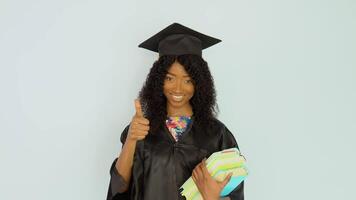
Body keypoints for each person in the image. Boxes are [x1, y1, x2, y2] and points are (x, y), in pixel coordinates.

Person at [106, 23, 245, 200]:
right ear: (158, 79)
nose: (178, 89)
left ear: (199, 83)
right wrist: (131, 139)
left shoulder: (217, 135)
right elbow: (119, 188)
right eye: (170, 78)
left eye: (187, 80)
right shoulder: (140, 128)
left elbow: (235, 194)